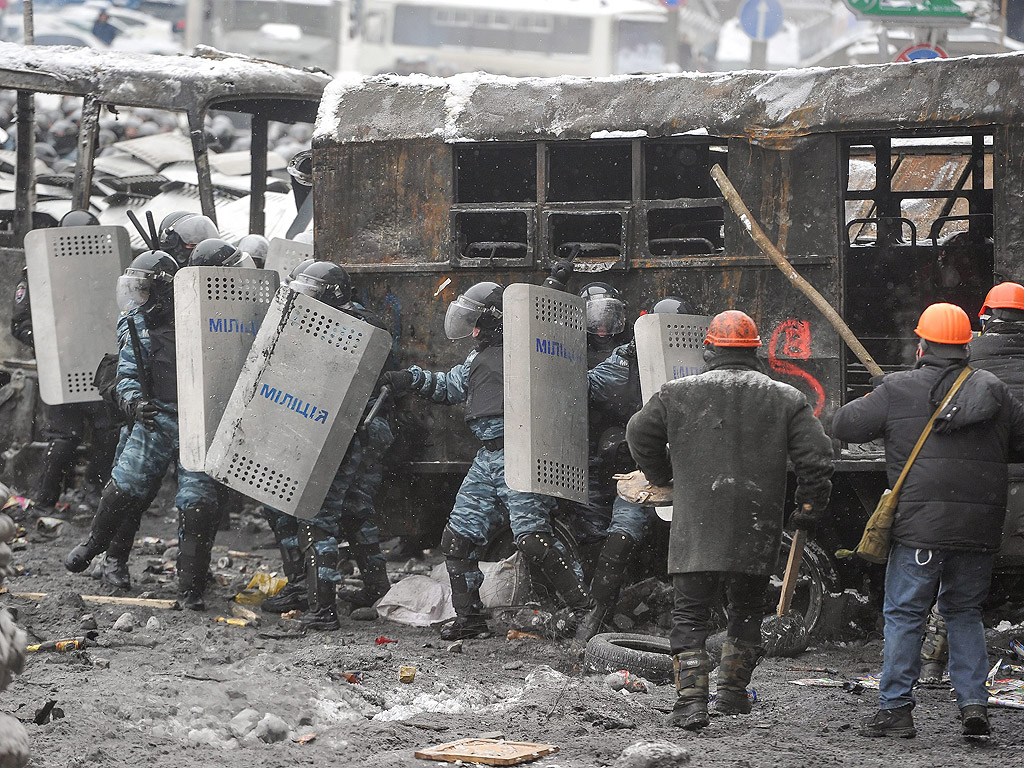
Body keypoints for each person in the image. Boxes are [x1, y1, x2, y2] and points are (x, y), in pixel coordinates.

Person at [626, 309, 833, 731]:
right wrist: (807, 509)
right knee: (746, 610)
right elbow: (818, 460)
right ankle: (733, 695)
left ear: (708, 351)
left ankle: (690, 704)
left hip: (696, 525)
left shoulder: (676, 393)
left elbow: (638, 434)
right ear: (756, 352)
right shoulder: (785, 397)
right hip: (756, 526)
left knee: (690, 615)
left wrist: (665, 476)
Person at [832, 302, 1024, 739]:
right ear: (966, 346)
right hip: (979, 530)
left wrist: (878, 391)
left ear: (921, 343)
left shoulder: (897, 389)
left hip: (920, 527)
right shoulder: (994, 389)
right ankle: (974, 706)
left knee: (905, 614)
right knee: (964, 612)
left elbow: (844, 425)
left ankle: (896, 710)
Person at [381, 281, 592, 641]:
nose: (474, 331)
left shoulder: (530, 351)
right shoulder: (478, 358)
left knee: (532, 540)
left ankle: (584, 609)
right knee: (457, 541)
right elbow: (450, 386)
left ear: (497, 320)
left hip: (521, 452)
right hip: (488, 457)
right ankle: (470, 618)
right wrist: (408, 379)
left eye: (478, 323)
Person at [63, 250, 221, 609]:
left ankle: (191, 589)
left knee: (196, 506)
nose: (137, 298)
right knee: (125, 487)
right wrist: (134, 403)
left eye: (144, 291)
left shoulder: (202, 317)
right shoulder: (134, 323)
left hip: (199, 422)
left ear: (164, 291)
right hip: (155, 417)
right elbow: (127, 375)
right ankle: (97, 549)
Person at [259, 261, 395, 630]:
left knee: (316, 517)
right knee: (353, 511)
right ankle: (376, 589)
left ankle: (322, 610)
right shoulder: (359, 322)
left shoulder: (352, 329)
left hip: (346, 434)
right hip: (353, 433)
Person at [919, 284, 1024, 684]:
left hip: (981, 488)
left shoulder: (968, 359)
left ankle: (932, 665)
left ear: (984, 316)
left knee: (956, 587)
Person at [12, 210, 120, 519]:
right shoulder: (39, 270)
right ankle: (47, 501)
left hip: (101, 367)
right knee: (65, 438)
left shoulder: (107, 268)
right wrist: (49, 344)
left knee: (105, 432)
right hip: (61, 367)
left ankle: (90, 496)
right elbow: (20, 325)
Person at [570, 283, 650, 643]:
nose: (603, 328)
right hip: (587, 455)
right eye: (596, 320)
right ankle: (596, 606)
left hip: (630, 458)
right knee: (590, 534)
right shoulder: (571, 353)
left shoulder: (634, 355)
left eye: (611, 318)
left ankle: (603, 610)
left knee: (623, 535)